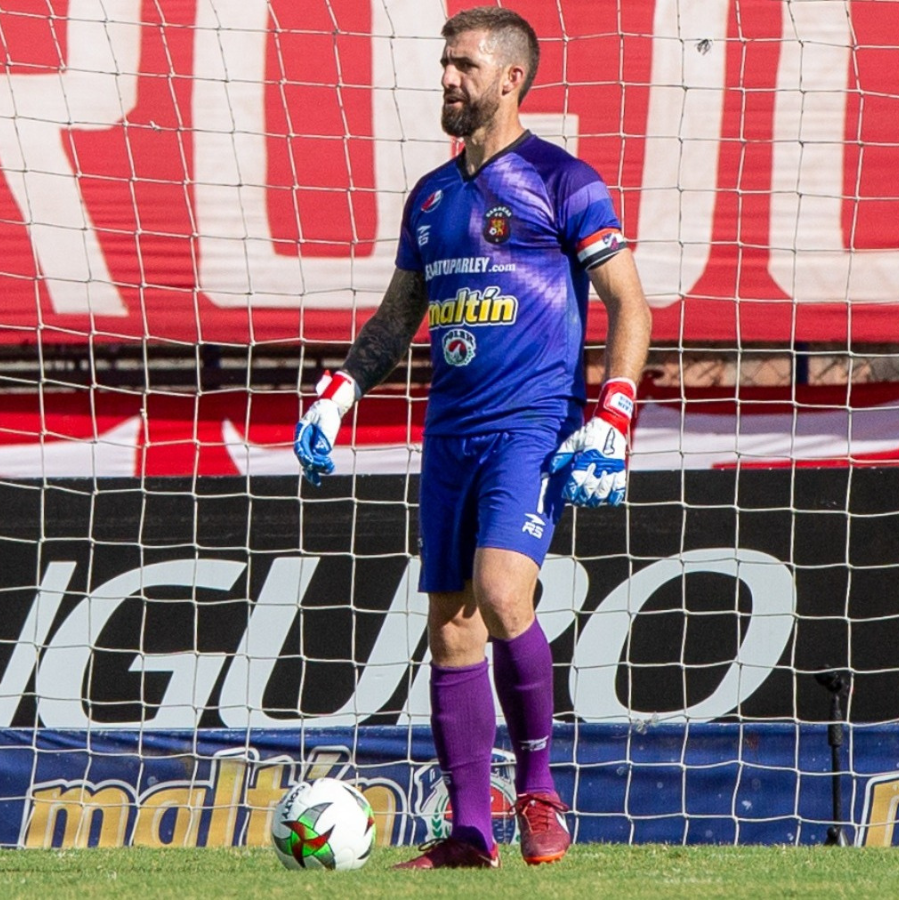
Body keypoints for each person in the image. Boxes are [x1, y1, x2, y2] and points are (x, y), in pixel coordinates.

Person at [293, 5, 652, 870]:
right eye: (444, 64)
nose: (447, 79)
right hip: (449, 432)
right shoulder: (431, 195)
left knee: (500, 593)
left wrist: (614, 412)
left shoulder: (565, 181)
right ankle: (468, 833)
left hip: (532, 422)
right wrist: (339, 392)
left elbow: (630, 305)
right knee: (450, 632)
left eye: (463, 65)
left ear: (510, 78)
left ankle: (538, 790)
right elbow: (395, 320)